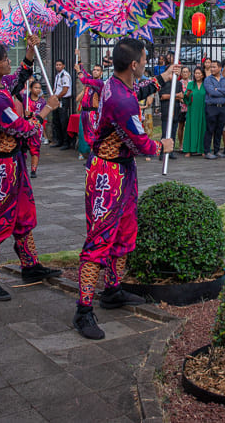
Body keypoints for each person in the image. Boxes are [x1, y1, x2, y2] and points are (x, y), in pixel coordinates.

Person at [75, 38, 174, 340]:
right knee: (98, 241)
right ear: (134, 65)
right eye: (145, 59)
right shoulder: (121, 99)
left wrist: (161, 79)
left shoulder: (116, 85)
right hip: (107, 173)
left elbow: (136, 92)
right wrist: (162, 146)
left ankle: (113, 290)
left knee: (124, 232)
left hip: (124, 171)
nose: (146, 62)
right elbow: (140, 142)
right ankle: (83, 309)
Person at [0, 35, 61, 301]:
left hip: (15, 162)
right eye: (2, 59)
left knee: (23, 214)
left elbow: (22, 73)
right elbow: (22, 129)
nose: (6, 62)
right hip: (2, 165)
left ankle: (30, 264)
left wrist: (31, 50)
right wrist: (46, 110)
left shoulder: (1, 88)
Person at [203, 60, 225, 159]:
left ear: (220, 68)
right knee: (210, 129)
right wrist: (223, 91)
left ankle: (217, 150)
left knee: (219, 129)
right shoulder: (208, 80)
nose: (212, 69)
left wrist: (218, 89)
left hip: (222, 108)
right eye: (211, 67)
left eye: (214, 67)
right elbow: (211, 92)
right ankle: (207, 151)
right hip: (212, 107)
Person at [75, 62, 105, 159]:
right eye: (94, 70)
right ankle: (92, 156)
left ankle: (94, 157)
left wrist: (78, 71)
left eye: (98, 70)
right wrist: (79, 59)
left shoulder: (99, 83)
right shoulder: (91, 79)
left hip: (93, 112)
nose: (95, 72)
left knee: (93, 134)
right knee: (86, 135)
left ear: (101, 73)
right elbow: (84, 73)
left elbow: (84, 79)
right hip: (85, 111)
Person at [182, 67, 207, 157]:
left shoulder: (206, 84)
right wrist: (187, 94)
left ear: (203, 75)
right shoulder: (191, 84)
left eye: (199, 73)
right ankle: (188, 150)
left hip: (203, 110)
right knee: (190, 129)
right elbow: (186, 99)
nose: (197, 75)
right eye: (196, 73)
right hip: (192, 110)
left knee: (203, 129)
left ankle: (202, 149)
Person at [24, 80, 47, 177]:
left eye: (39, 88)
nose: (37, 90)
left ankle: (33, 170)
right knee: (22, 149)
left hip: (37, 128)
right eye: (35, 87)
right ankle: (22, 169)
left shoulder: (42, 102)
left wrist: (32, 114)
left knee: (35, 149)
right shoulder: (25, 99)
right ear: (31, 88)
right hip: (25, 126)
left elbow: (43, 114)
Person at [50, 59, 73, 149]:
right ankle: (59, 140)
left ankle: (66, 142)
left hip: (62, 99)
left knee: (63, 121)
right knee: (56, 120)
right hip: (57, 99)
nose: (58, 66)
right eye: (57, 65)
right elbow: (56, 88)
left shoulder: (65, 75)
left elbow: (65, 90)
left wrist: (57, 97)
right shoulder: (58, 76)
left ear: (63, 66)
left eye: (60, 65)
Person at [175, 66, 190, 151]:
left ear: (189, 73)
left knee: (189, 126)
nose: (185, 73)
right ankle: (181, 144)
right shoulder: (179, 83)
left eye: (186, 71)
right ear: (181, 74)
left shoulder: (191, 83)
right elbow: (177, 94)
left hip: (190, 108)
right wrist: (182, 100)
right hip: (181, 108)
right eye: (183, 72)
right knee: (181, 126)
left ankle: (188, 144)